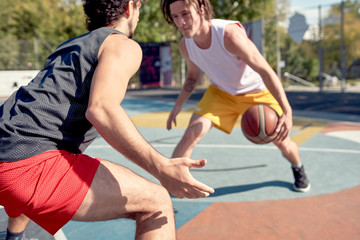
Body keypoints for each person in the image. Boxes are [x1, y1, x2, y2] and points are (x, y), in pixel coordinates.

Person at [0, 0, 214, 239]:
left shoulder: (70, 45)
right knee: (157, 202)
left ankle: (14, 236)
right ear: (129, 7)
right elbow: (101, 109)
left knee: (21, 172)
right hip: (27, 164)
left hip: (7, 147)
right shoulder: (122, 45)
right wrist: (161, 167)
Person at [161, 0, 310, 193]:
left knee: (282, 141)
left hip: (257, 91)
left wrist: (287, 111)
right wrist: (177, 106)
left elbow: (265, 71)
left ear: (201, 9)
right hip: (222, 93)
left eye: (185, 14)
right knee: (192, 132)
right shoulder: (186, 45)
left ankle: (298, 168)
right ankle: (168, 187)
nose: (181, 22)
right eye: (175, 17)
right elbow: (192, 76)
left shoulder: (228, 35)